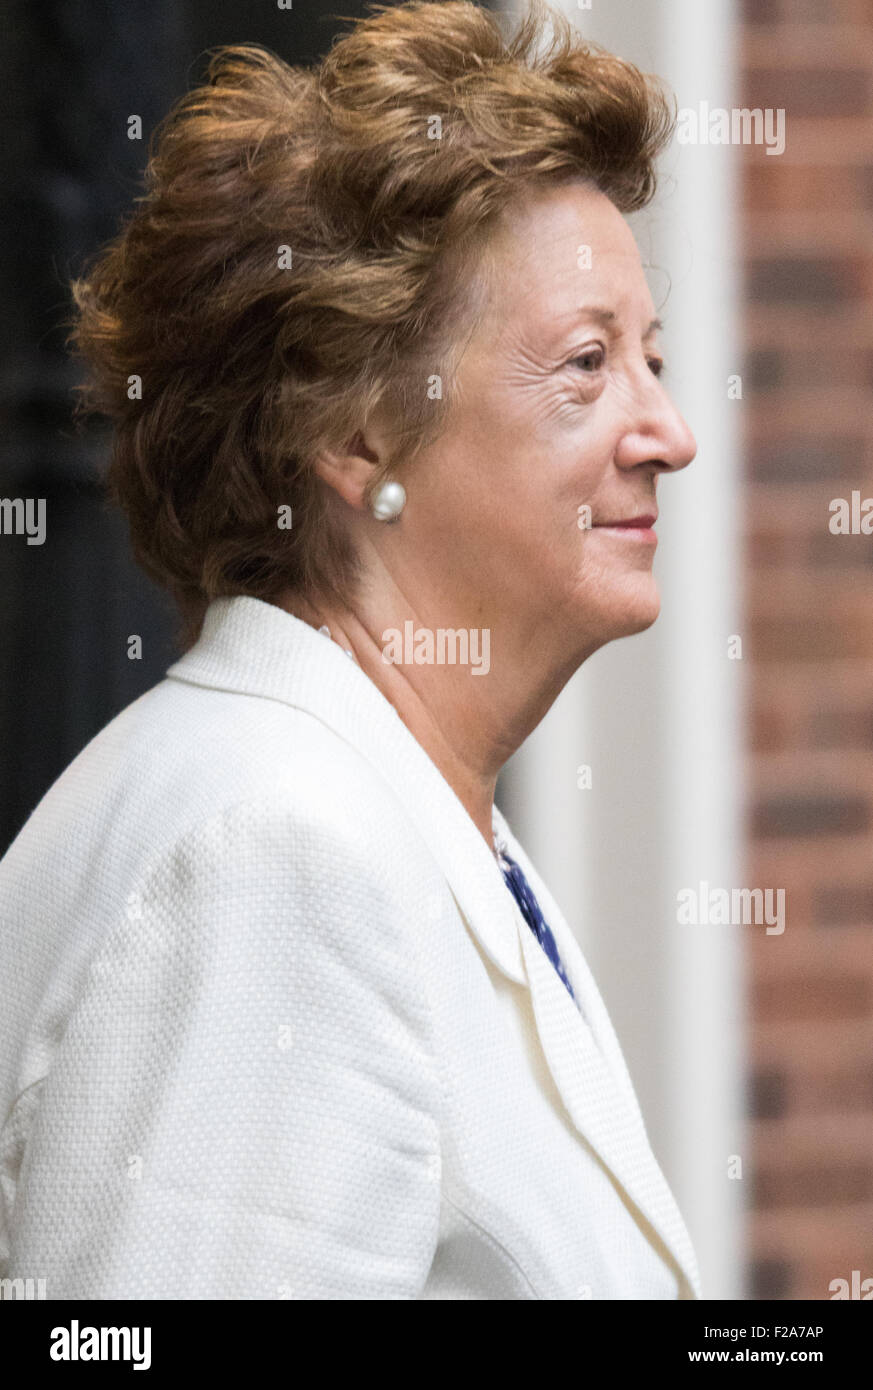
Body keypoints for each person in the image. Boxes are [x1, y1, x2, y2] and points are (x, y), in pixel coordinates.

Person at [0, 0, 700, 1298]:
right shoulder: (278, 850)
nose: (667, 432)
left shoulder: (397, 820)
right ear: (359, 433)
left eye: (651, 359)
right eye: (587, 364)